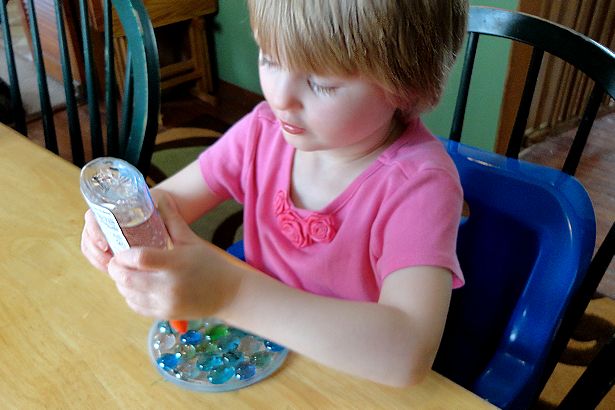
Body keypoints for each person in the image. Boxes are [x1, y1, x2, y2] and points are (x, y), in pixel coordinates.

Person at [81, 0, 468, 387]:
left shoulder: (420, 186)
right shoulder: (263, 132)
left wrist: (229, 293)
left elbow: (407, 353)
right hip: (256, 351)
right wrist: (127, 222)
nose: (280, 97)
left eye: (321, 82)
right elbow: (172, 202)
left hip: (349, 374)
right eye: (270, 58)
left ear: (406, 88)